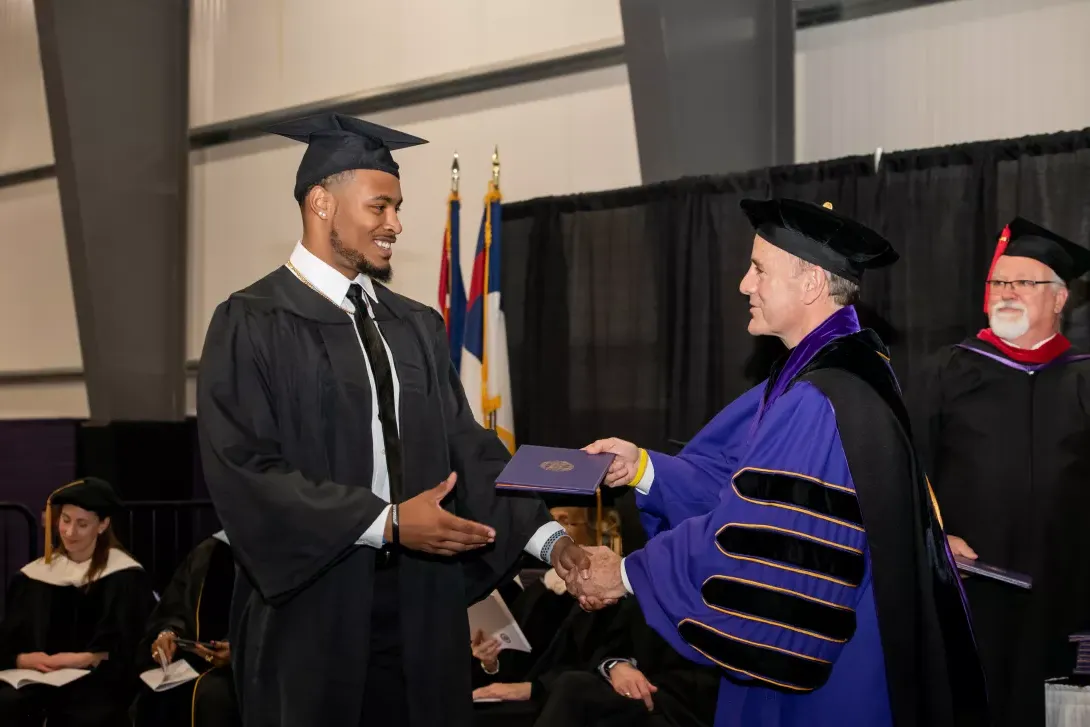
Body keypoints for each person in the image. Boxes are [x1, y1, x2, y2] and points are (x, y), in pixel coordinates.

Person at [196, 112, 590, 727]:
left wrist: (551, 541)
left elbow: (467, 446)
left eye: (398, 208)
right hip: (311, 602)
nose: (396, 225)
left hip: (418, 603)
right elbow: (244, 468)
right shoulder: (252, 322)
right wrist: (384, 522)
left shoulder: (415, 325)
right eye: (380, 207)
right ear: (322, 202)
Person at [573, 199, 991, 726]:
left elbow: (766, 541)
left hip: (831, 680)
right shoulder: (832, 373)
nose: (745, 284)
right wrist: (641, 468)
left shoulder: (822, 398)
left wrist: (631, 572)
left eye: (759, 269)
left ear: (812, 282)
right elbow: (746, 487)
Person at [914, 217, 1090, 726]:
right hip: (972, 589)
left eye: (1025, 282)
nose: (1007, 291)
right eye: (998, 282)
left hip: (1067, 593)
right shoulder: (947, 371)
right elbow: (905, 471)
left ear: (1059, 299)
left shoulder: (1084, 379)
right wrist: (934, 538)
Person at [0, 477, 154, 727]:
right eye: (66, 520)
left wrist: (81, 659)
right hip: (36, 677)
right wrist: (23, 660)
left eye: (82, 524)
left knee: (87, 711)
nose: (70, 533)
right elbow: (9, 638)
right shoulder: (32, 576)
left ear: (102, 525)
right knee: (7, 703)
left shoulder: (124, 576)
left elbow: (132, 644)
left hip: (96, 679)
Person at [473, 598, 719, 727]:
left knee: (575, 689)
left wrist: (618, 666)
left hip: (673, 701)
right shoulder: (541, 592)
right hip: (546, 688)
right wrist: (491, 664)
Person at [133, 531, 239, 727]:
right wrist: (168, 634)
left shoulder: (281, 554)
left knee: (212, 697)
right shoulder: (209, 551)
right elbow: (175, 607)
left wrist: (240, 653)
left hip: (247, 671)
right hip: (195, 660)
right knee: (155, 694)